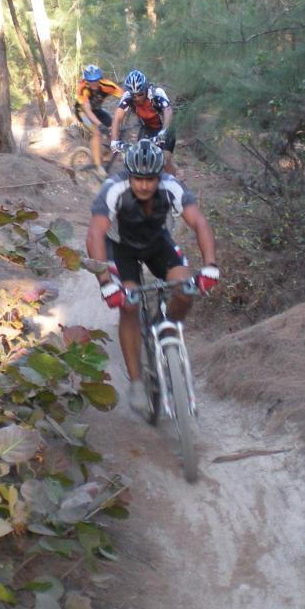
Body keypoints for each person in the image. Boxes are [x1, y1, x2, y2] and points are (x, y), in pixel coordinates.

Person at [86, 138, 220, 419]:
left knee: (185, 289)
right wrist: (106, 284)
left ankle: (167, 326)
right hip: (120, 249)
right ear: (128, 174)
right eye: (138, 179)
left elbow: (199, 222)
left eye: (151, 179)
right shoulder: (113, 189)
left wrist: (210, 266)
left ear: (160, 175)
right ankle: (136, 381)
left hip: (158, 244)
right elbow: (95, 234)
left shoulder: (171, 186)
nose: (145, 185)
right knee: (130, 305)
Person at [109, 69, 178, 173]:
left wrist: (164, 131)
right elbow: (117, 117)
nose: (137, 98)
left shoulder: (156, 92)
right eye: (134, 95)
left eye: (140, 94)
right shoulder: (128, 96)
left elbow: (168, 111)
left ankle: (172, 183)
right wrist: (114, 141)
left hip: (165, 128)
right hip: (147, 129)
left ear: (145, 88)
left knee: (164, 159)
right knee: (141, 160)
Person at [74, 64, 124, 170]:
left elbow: (124, 95)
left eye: (96, 80)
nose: (93, 83)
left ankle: (106, 156)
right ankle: (98, 166)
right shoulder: (83, 88)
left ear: (100, 78)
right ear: (86, 80)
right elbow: (87, 110)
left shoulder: (106, 85)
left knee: (114, 129)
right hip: (83, 114)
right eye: (90, 81)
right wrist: (100, 125)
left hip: (97, 111)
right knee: (97, 132)